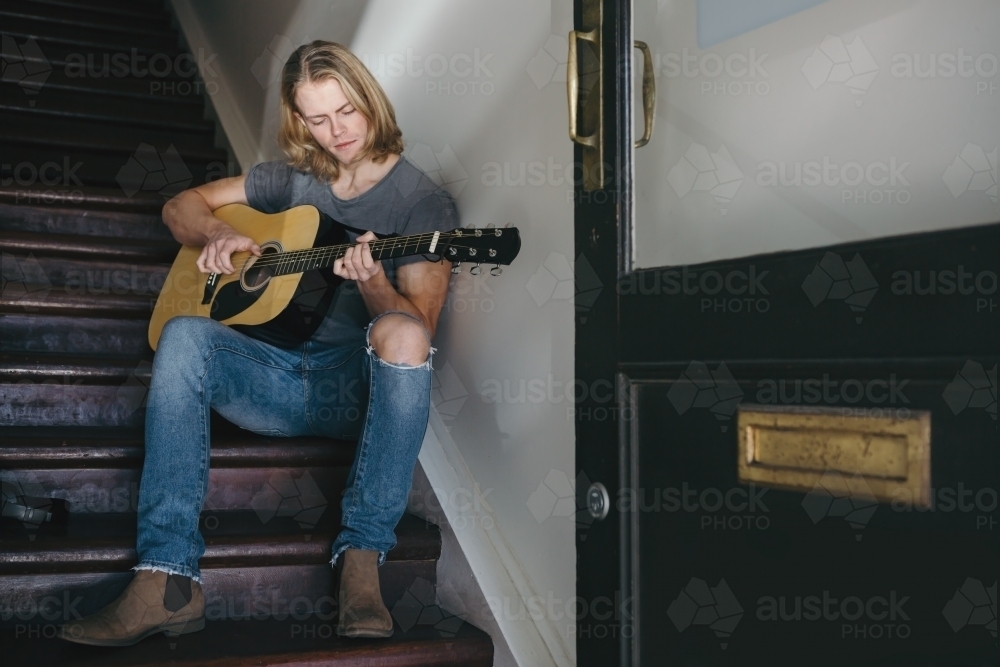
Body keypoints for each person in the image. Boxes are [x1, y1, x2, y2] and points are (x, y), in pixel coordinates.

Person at [61, 40, 456, 645]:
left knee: (400, 332)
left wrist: (374, 280)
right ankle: (168, 578)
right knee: (185, 334)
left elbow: (419, 327)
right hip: (267, 380)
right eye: (317, 118)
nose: (336, 131)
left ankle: (361, 558)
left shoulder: (422, 202)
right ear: (298, 119)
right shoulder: (295, 180)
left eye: (346, 111)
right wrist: (216, 230)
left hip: (348, 394)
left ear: (370, 101)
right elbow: (178, 206)